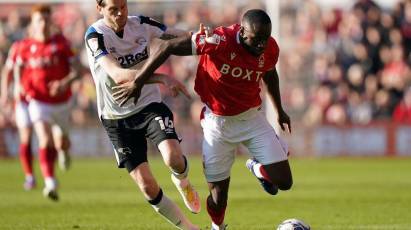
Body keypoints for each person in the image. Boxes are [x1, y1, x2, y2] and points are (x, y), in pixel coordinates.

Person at [113, 9, 294, 230]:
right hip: (217, 125)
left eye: (265, 39)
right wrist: (139, 81)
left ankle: (257, 167)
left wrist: (279, 110)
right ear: (243, 31)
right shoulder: (219, 40)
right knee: (218, 197)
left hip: (251, 119)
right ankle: (218, 227)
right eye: (256, 40)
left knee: (284, 183)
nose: (261, 45)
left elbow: (270, 73)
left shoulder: (270, 47)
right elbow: (166, 46)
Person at [84, 0, 200, 229]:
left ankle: (182, 181)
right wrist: (162, 78)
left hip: (148, 105)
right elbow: (117, 75)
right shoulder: (95, 35)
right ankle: (189, 228)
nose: (120, 14)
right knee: (147, 186)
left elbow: (178, 36)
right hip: (116, 118)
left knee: (173, 158)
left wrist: (199, 36)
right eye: (113, 10)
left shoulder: (142, 24)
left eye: (123, 7)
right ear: (100, 9)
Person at [4, 4, 79, 200]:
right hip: (37, 99)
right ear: (33, 23)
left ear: (51, 21)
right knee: (43, 138)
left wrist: (64, 83)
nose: (43, 23)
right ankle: (50, 182)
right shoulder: (25, 46)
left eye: (46, 19)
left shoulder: (62, 43)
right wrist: (14, 90)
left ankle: (64, 152)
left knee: (61, 142)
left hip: (62, 101)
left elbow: (77, 70)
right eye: (39, 20)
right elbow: (13, 69)